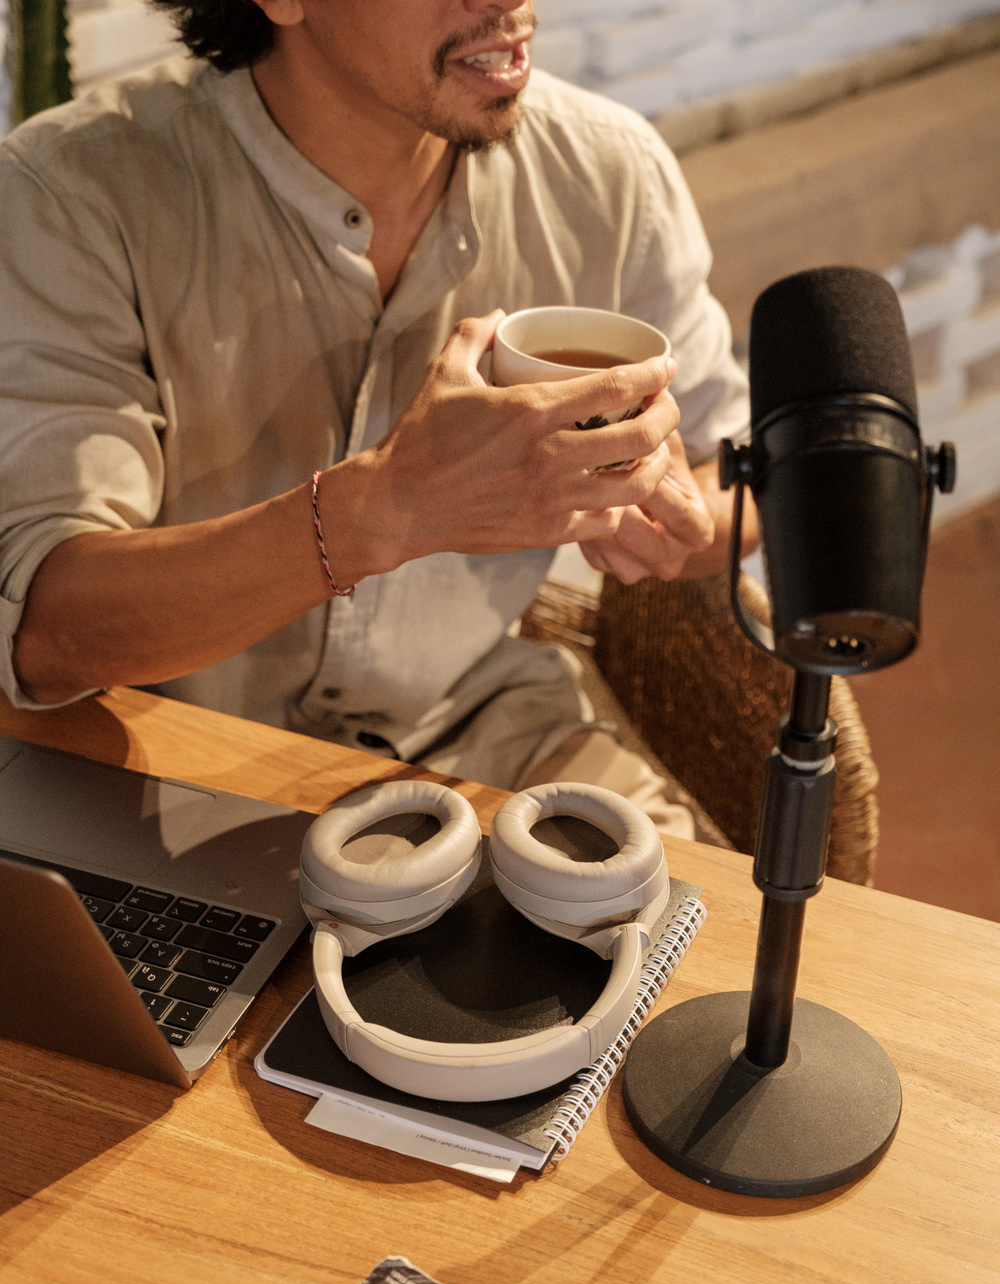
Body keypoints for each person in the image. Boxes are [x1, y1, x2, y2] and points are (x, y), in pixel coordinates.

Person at [0, 0, 753, 834]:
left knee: (688, 943)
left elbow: (742, 478)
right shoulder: (72, 193)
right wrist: (385, 509)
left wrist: (677, 516)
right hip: (167, 769)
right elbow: (45, 633)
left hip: (487, 738)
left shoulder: (608, 173)